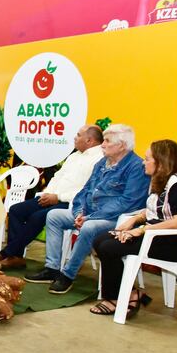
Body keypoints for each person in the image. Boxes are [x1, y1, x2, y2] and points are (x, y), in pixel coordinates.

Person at [25, 124, 150, 294]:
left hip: (116, 219)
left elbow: (127, 202)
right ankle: (52, 268)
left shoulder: (137, 167)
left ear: (121, 145)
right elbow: (85, 190)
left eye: (107, 141)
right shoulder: (102, 163)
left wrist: (91, 217)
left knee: (89, 227)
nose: (103, 145)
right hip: (89, 213)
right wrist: (80, 212)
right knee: (54, 215)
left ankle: (68, 275)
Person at [92, 140, 177, 317]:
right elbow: (154, 209)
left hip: (174, 244)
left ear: (161, 163)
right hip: (158, 236)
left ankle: (118, 298)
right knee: (100, 239)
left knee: (109, 247)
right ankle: (130, 293)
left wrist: (141, 230)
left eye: (147, 158)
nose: (143, 162)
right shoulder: (161, 181)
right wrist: (135, 219)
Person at [0, 125, 105, 269]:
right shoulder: (74, 156)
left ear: (89, 140)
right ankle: (17, 257)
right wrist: (48, 194)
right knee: (16, 210)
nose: (74, 138)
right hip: (52, 197)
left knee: (37, 217)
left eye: (78, 135)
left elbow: (85, 190)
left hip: (71, 203)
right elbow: (58, 176)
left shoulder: (98, 159)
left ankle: (7, 253)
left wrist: (57, 197)